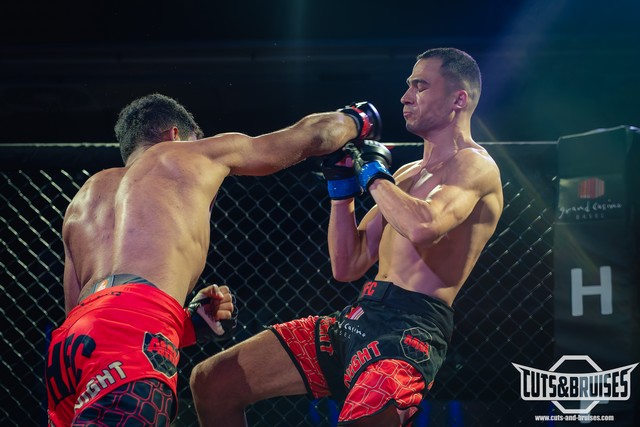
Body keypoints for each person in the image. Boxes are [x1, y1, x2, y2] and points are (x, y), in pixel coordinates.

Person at [190, 47, 504, 427]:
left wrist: (373, 177)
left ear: (459, 99)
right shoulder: (406, 176)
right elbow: (347, 265)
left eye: (420, 86)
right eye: (408, 86)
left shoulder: (475, 165)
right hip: (358, 316)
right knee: (213, 382)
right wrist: (341, 190)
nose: (405, 97)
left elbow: (424, 226)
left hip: (408, 333)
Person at [44, 93, 382, 426]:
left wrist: (189, 325)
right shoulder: (187, 155)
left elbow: (85, 310)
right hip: (135, 336)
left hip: (68, 349)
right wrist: (359, 119)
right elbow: (310, 137)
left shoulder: (84, 198)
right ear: (175, 135)